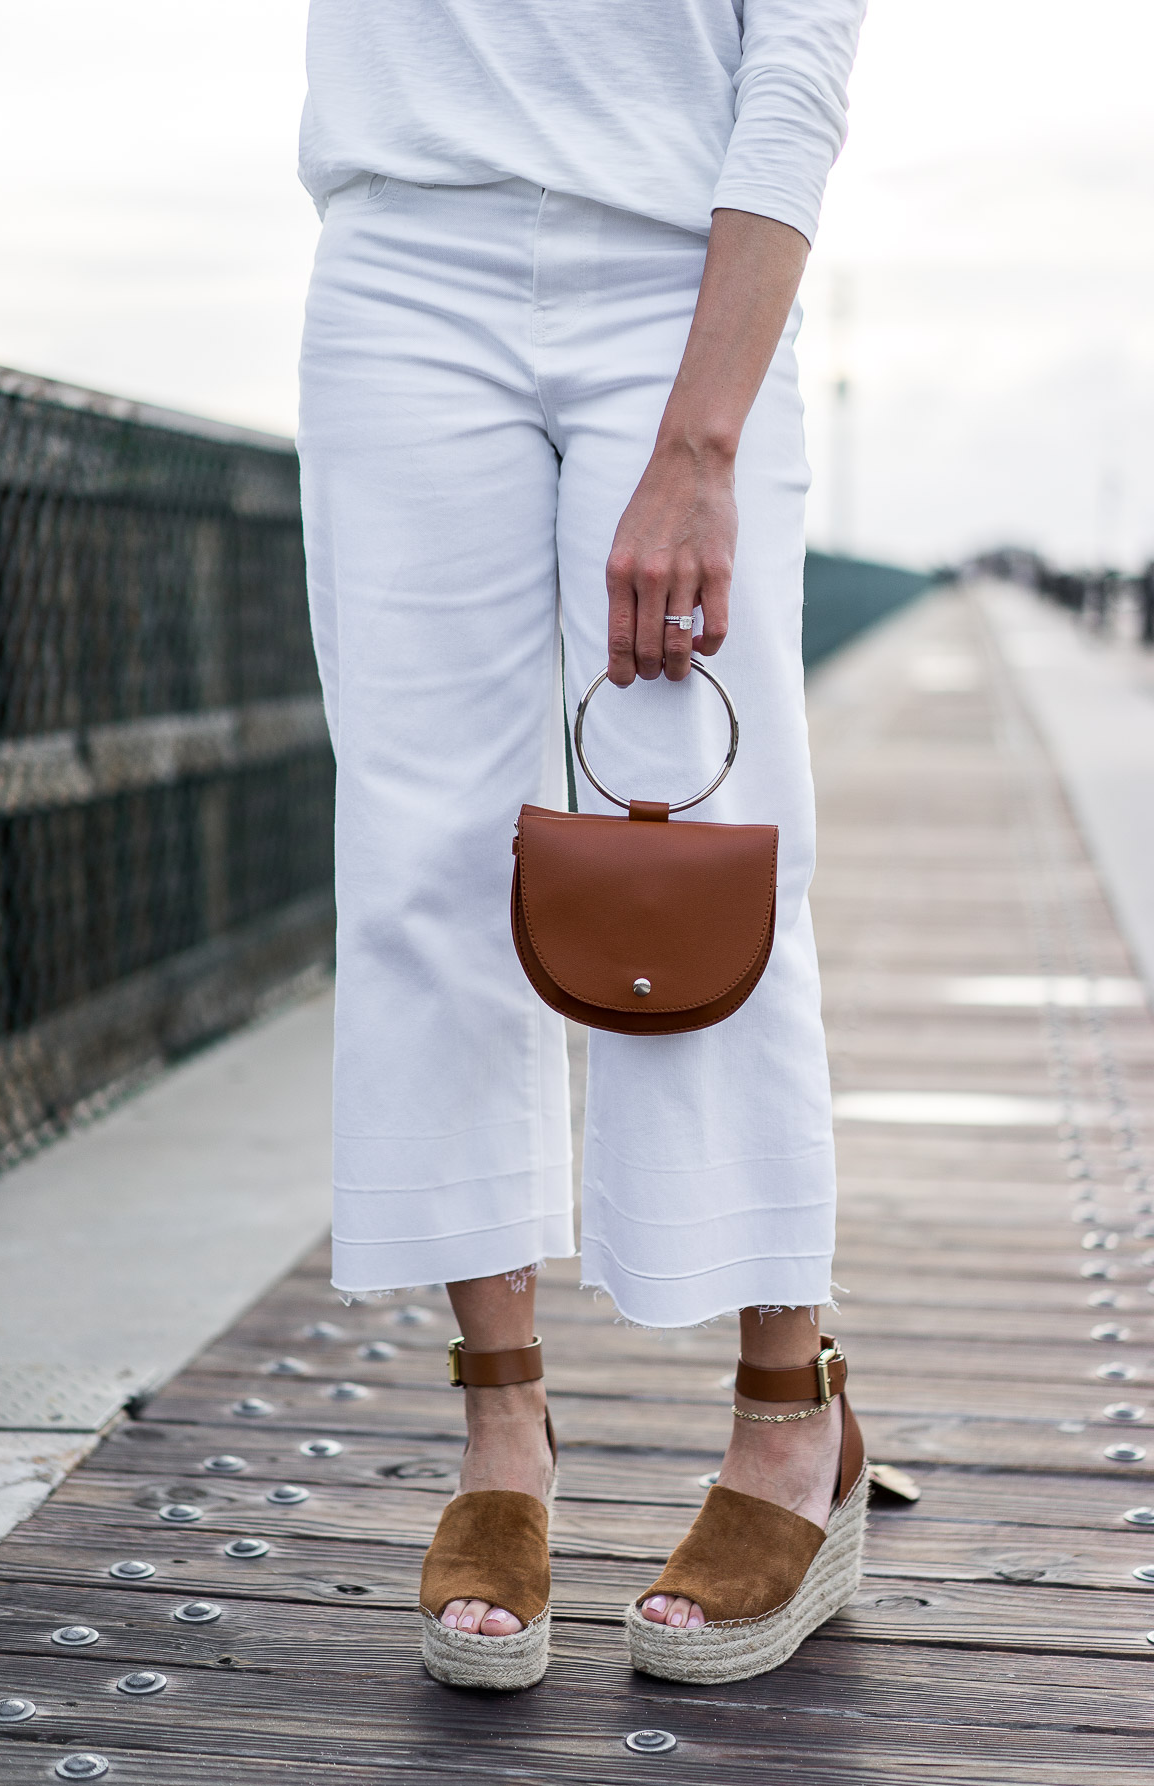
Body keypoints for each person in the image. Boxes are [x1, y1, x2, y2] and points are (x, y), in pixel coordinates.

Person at [296, 0, 867, 1690]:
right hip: (400, 262)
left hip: (679, 271)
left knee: (715, 847)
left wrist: (702, 440)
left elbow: (800, 58)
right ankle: (501, 1438)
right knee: (424, 869)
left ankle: (787, 1424)